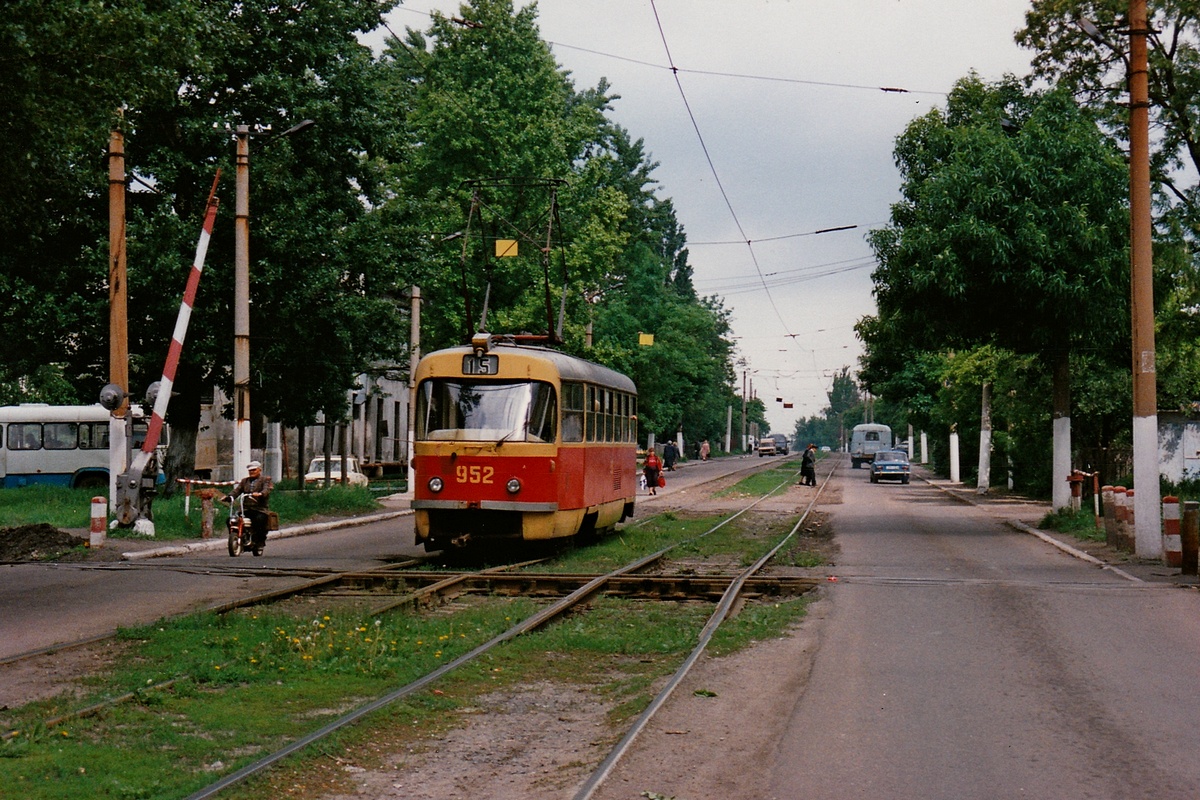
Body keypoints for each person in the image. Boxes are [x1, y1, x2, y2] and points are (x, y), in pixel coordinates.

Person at [225, 460, 274, 556]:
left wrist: (260, 494)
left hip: (259, 508)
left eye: (254, 470)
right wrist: (229, 497)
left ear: (259, 470)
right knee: (230, 520)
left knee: (260, 520)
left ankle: (259, 542)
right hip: (245, 509)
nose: (252, 472)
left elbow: (266, 490)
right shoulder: (245, 481)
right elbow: (237, 491)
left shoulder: (265, 480)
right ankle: (237, 535)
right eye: (250, 470)